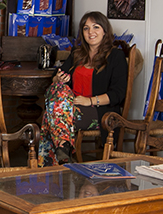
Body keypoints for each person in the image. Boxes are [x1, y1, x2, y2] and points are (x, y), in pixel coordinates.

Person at [39, 11, 128, 166]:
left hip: (99, 110)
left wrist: (89, 101)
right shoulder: (77, 53)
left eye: (96, 27)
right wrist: (58, 78)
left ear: (105, 31)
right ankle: (63, 149)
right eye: (86, 28)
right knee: (57, 89)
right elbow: (56, 76)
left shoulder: (115, 56)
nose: (90, 32)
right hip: (70, 105)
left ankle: (54, 163)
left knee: (50, 115)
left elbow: (118, 94)